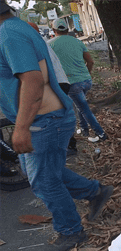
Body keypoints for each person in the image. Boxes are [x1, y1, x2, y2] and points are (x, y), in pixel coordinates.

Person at [0, 5, 113, 251]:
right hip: (44, 118)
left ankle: (71, 231)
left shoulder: (9, 34)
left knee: (44, 181)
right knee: (47, 174)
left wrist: (21, 128)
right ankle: (95, 191)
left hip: (44, 120)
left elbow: (33, 80)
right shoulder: (13, 29)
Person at [49, 18, 107, 143]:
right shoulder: (77, 42)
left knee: (83, 108)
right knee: (80, 105)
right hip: (86, 80)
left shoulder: (50, 44)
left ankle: (101, 134)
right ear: (67, 29)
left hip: (71, 82)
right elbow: (90, 61)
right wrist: (87, 74)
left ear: (54, 30)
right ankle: (84, 129)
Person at [27, 21, 78, 156]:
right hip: (60, 81)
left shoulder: (34, 43)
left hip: (56, 82)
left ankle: (69, 146)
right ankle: (66, 145)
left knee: (55, 116)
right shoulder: (40, 41)